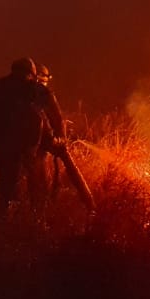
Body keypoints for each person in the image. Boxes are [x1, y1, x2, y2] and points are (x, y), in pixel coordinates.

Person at [0, 58, 55, 213]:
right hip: (26, 148)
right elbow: (48, 119)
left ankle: (7, 215)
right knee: (33, 184)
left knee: (7, 182)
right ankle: (24, 218)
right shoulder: (35, 90)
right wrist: (55, 138)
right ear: (32, 75)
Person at [35, 63, 96, 211]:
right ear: (41, 78)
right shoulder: (44, 93)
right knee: (41, 181)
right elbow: (57, 118)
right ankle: (91, 206)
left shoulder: (17, 91)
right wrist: (60, 140)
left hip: (22, 143)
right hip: (42, 140)